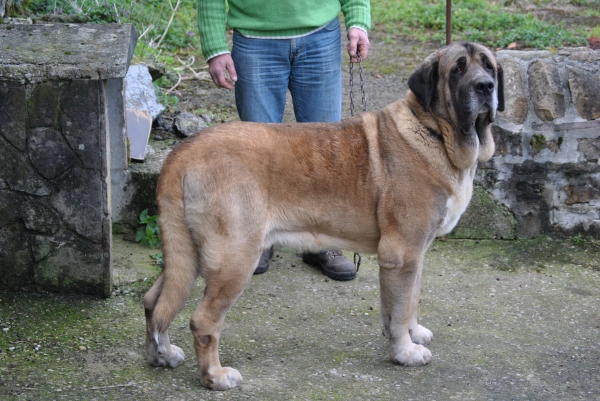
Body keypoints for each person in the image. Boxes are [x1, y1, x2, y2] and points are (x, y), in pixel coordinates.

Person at [198, 0, 371, 281]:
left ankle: (324, 241)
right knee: (257, 156)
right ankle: (260, 238)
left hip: (321, 36)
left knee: (327, 153)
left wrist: (358, 21)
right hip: (254, 42)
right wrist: (215, 46)